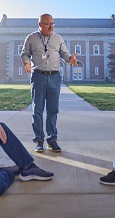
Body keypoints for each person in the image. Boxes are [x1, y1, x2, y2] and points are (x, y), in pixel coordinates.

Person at [21, 13, 78, 152]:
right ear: (40, 24)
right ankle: (39, 140)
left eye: (52, 23)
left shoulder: (58, 38)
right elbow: (25, 53)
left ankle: (52, 139)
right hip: (38, 76)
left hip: (54, 76)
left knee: (53, 110)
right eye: (48, 23)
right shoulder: (31, 38)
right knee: (38, 110)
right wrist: (27, 63)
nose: (51, 26)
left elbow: (64, 54)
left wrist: (70, 58)